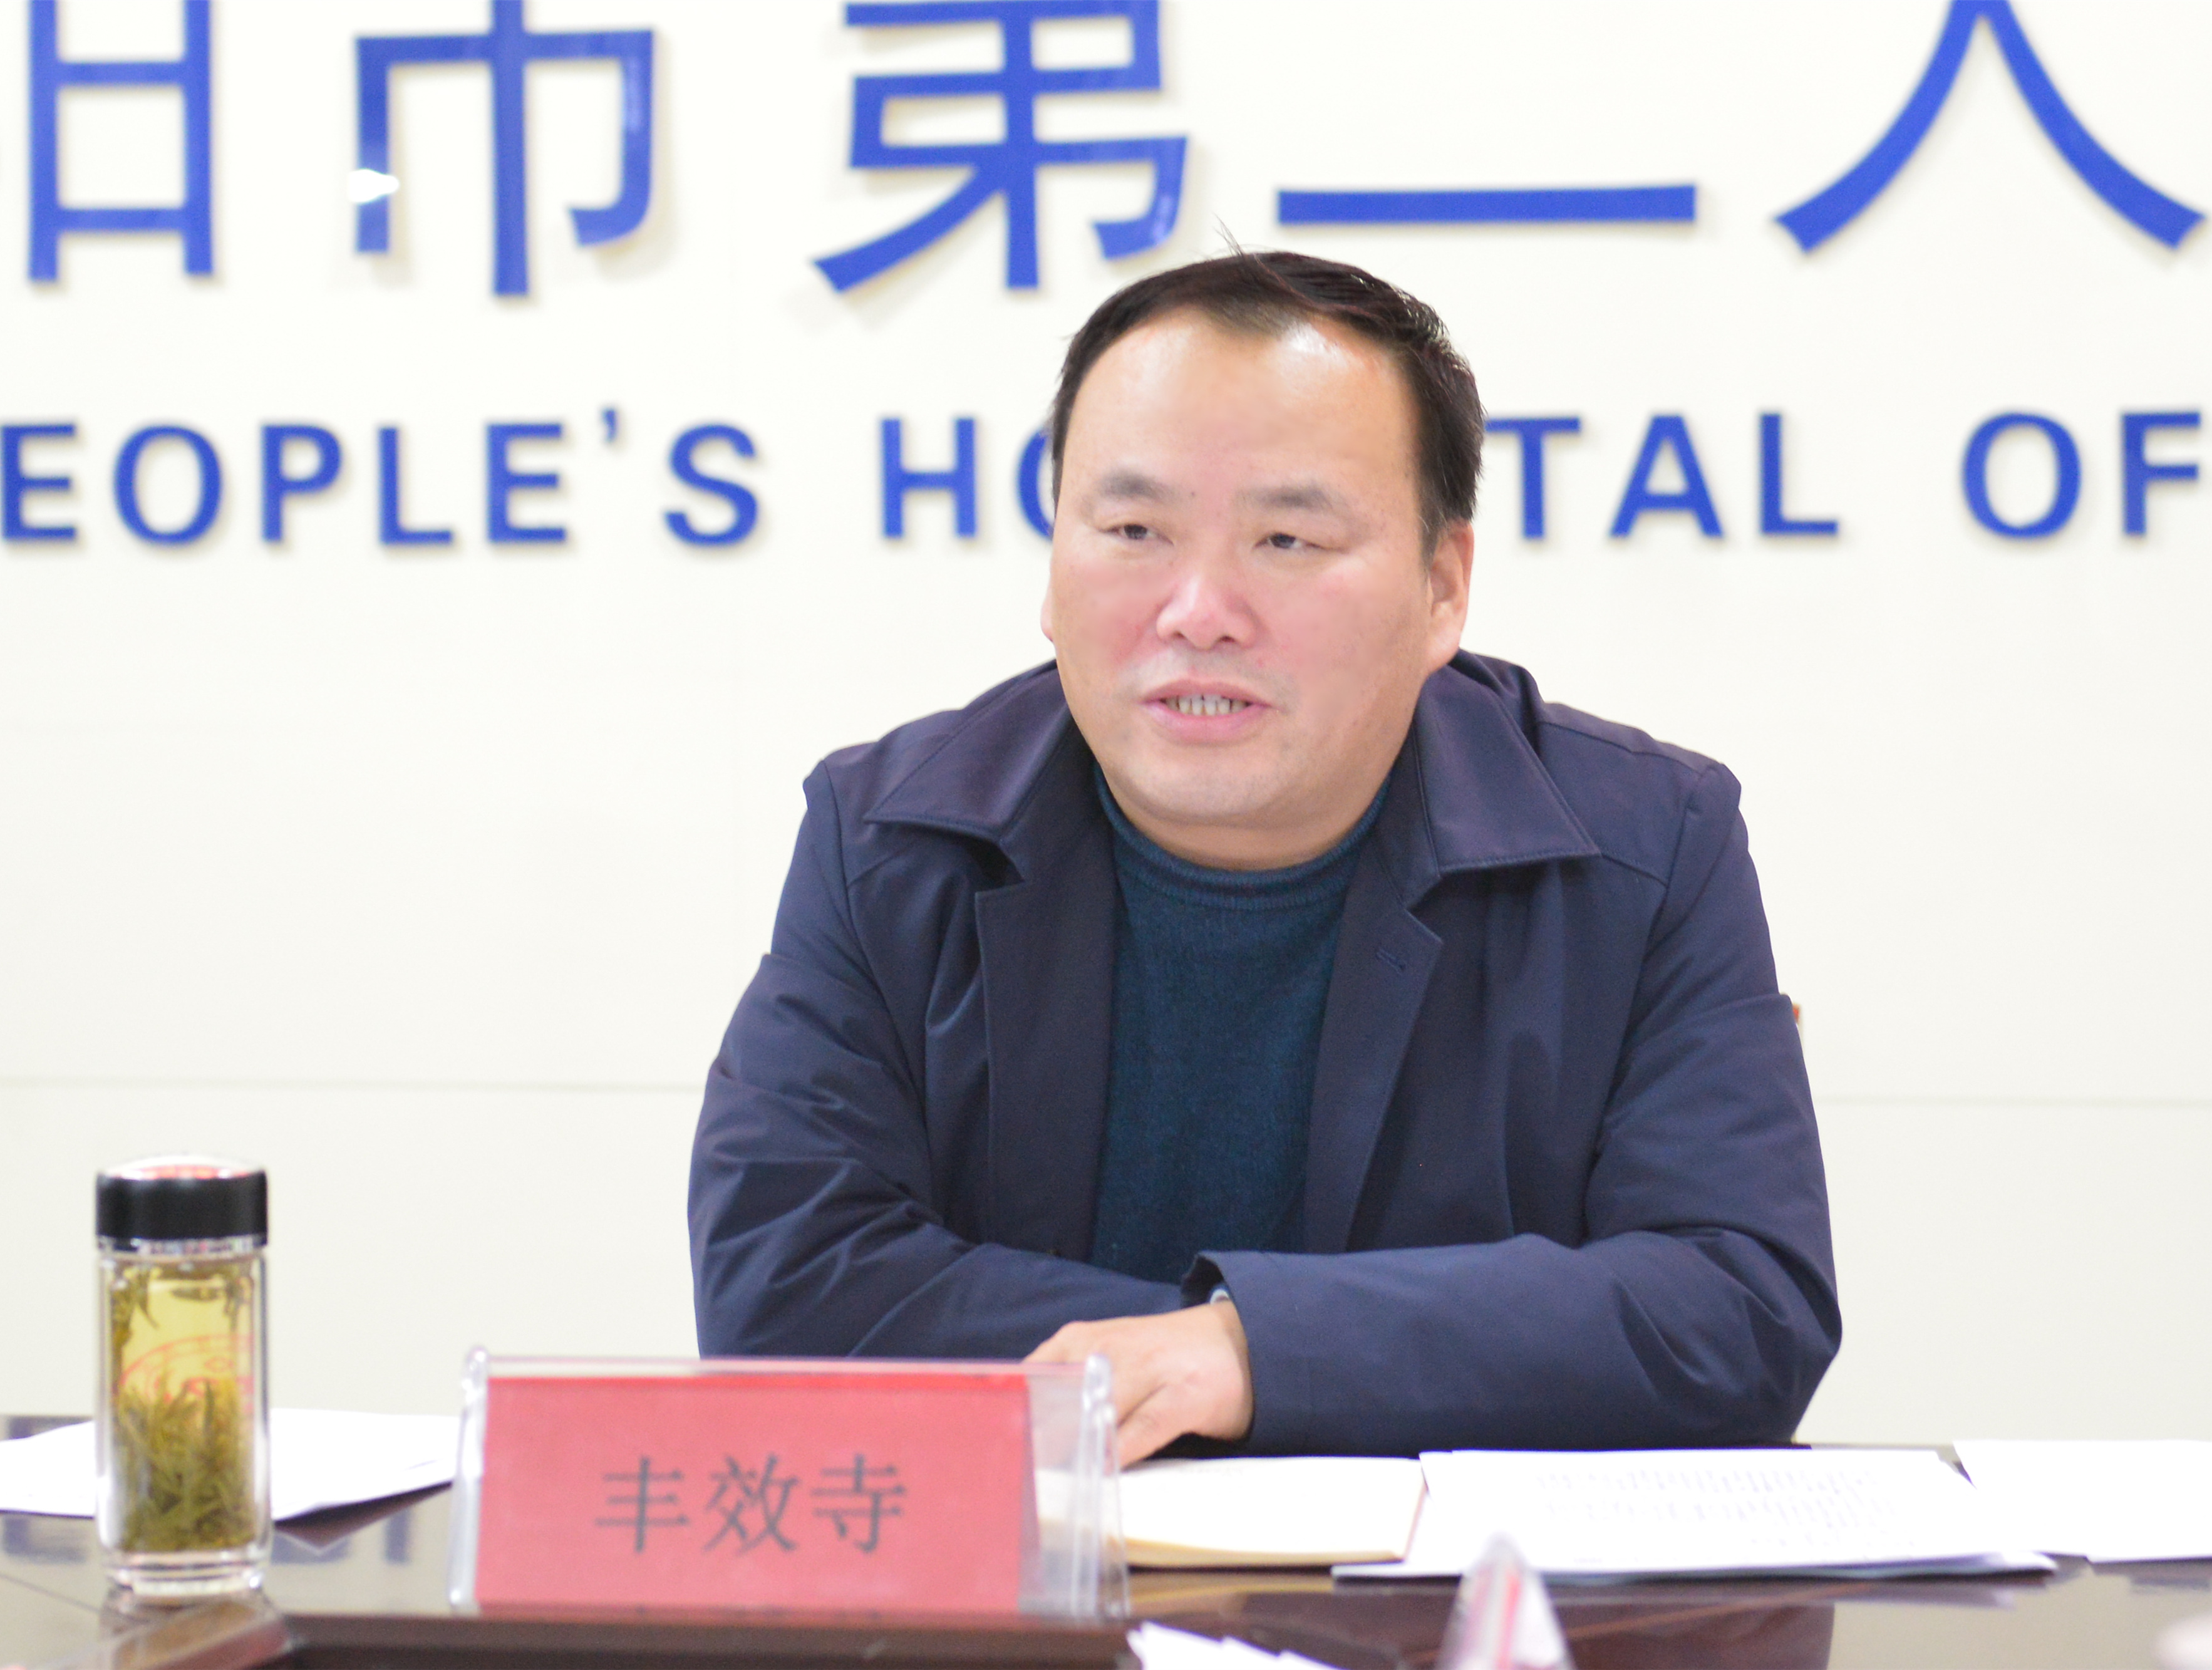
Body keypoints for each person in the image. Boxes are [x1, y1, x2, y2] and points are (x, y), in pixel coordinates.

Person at [690, 251, 1837, 1463]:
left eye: (1287, 538)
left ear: (1443, 587)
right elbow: (785, 1291)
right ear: (1053, 564)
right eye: (1133, 529)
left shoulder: (1647, 846)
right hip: (1035, 1570)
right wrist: (1235, 1350)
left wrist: (1256, 1354)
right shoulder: (890, 839)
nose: (1198, 609)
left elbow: (1738, 1309)